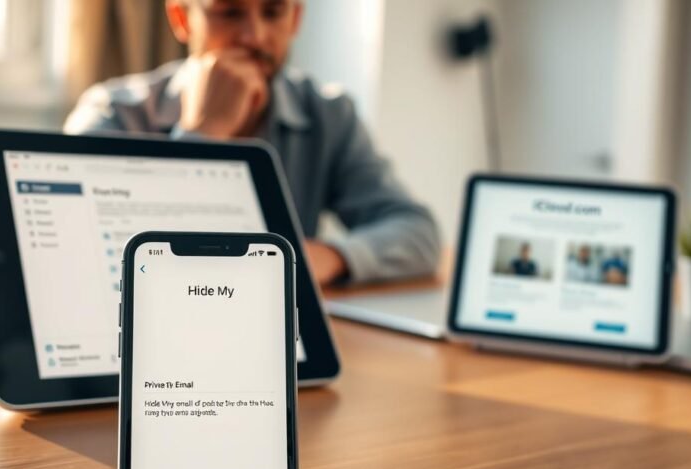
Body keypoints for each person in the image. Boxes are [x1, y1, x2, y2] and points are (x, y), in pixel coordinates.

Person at [64, 0, 440, 286]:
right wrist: (203, 132)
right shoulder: (113, 113)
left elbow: (417, 231)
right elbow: (87, 258)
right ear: (181, 18)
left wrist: (328, 256)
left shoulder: (329, 114)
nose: (254, 36)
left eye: (273, 12)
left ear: (295, 18)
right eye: (228, 12)